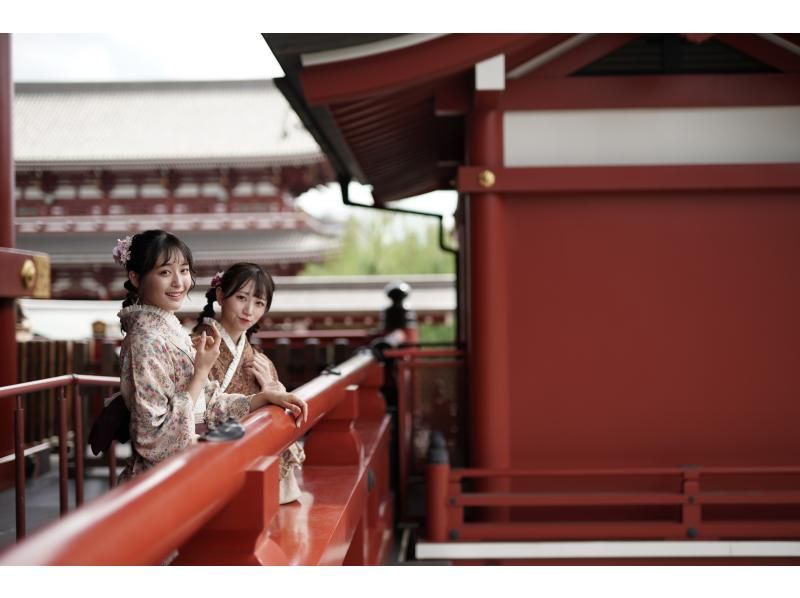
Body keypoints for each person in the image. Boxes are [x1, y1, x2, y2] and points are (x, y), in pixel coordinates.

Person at [114, 230, 305, 483]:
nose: (179, 283)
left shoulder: (168, 330)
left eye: (183, 270)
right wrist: (201, 372)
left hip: (193, 461)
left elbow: (208, 405)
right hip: (166, 477)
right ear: (136, 278)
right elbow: (155, 440)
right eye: (164, 272)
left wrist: (263, 397)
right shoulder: (146, 340)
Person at [193, 263, 308, 503]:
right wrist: (266, 393)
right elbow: (200, 406)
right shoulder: (198, 345)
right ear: (221, 295)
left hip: (249, 453)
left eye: (259, 303)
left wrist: (270, 386)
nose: (249, 310)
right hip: (209, 455)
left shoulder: (256, 357)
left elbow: (278, 401)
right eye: (241, 298)